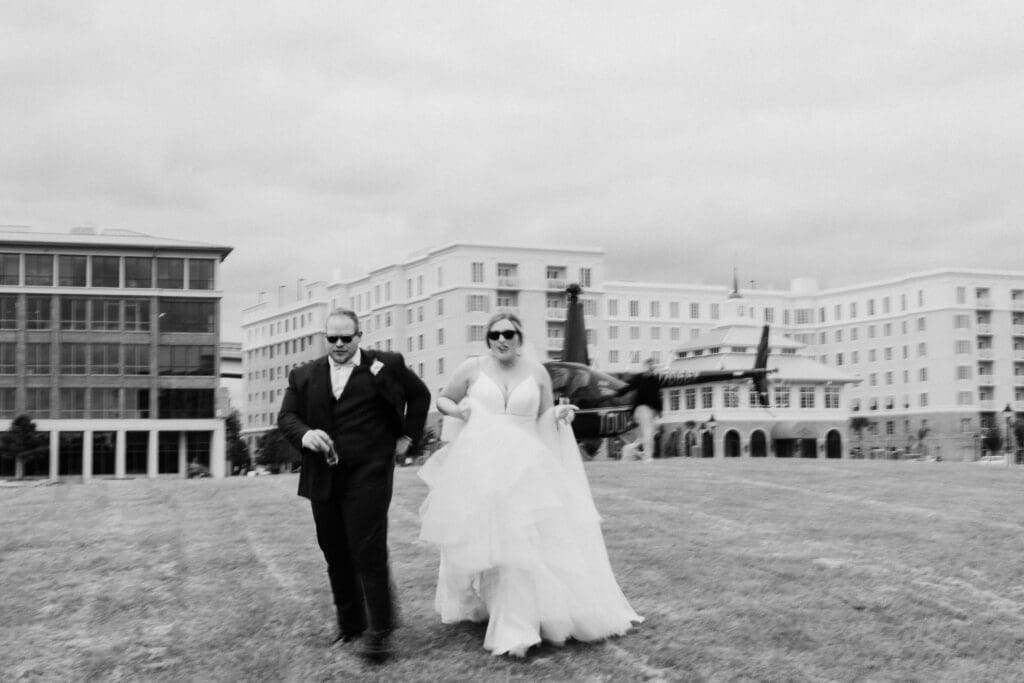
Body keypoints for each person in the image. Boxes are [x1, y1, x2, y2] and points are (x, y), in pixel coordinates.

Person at [418, 313, 642, 657]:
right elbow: (443, 399)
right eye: (494, 335)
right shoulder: (473, 368)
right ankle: (495, 608)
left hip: (527, 465)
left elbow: (542, 416)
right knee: (488, 541)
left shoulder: (536, 372)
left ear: (519, 337)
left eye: (508, 334)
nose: (501, 340)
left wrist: (558, 416)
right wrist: (460, 410)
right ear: (488, 339)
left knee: (523, 543)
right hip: (483, 464)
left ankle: (517, 623)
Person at [278, 308, 430, 663]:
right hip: (323, 475)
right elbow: (287, 417)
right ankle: (350, 626)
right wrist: (306, 434)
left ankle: (380, 632)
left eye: (347, 337)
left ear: (360, 336)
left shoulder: (387, 365)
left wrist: (407, 436)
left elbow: (420, 396)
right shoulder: (303, 375)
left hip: (370, 472)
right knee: (334, 551)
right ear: (324, 338)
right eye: (333, 338)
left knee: (367, 549)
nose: (340, 344)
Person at [616, 358, 662, 461]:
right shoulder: (640, 378)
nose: (652, 368)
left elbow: (658, 396)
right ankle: (648, 456)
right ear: (646, 366)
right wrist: (615, 393)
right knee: (648, 432)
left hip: (651, 411)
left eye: (653, 366)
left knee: (645, 436)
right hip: (641, 408)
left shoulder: (655, 379)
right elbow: (628, 388)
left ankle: (627, 450)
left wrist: (659, 411)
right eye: (651, 365)